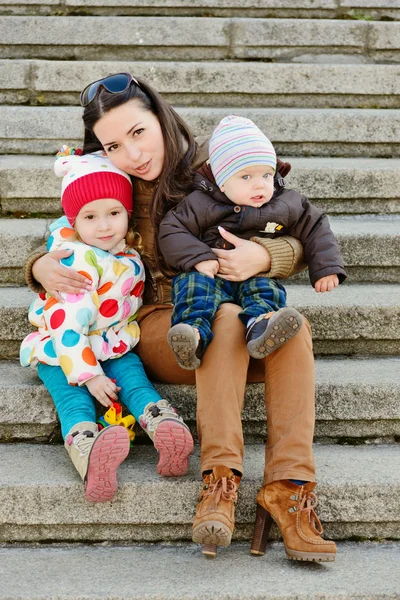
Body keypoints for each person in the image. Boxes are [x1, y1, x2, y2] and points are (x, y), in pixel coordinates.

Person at [24, 72, 337, 561]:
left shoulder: (216, 164)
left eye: (138, 132)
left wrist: (267, 256)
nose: (132, 154)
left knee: (294, 329)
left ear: (161, 117)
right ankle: (219, 482)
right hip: (159, 322)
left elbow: (288, 216)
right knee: (230, 322)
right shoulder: (111, 178)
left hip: (237, 315)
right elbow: (70, 227)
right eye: (112, 145)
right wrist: (40, 265)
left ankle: (290, 488)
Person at [20, 146, 194, 503]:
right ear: (73, 222)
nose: (103, 226)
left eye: (113, 213)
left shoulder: (128, 253)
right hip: (61, 349)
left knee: (135, 381)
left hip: (112, 341)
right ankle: (88, 450)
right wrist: (90, 375)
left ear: (127, 213)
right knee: (74, 400)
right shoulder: (75, 260)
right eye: (90, 217)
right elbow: (65, 323)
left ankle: (164, 426)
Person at [159, 115, 346, 370]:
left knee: (266, 290)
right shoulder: (200, 203)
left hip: (255, 274)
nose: (260, 184)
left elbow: (316, 227)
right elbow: (172, 229)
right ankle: (192, 334)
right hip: (211, 275)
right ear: (221, 181)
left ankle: (261, 326)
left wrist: (326, 267)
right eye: (246, 177)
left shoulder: (287, 204)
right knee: (193, 288)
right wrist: (198, 257)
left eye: (267, 175)